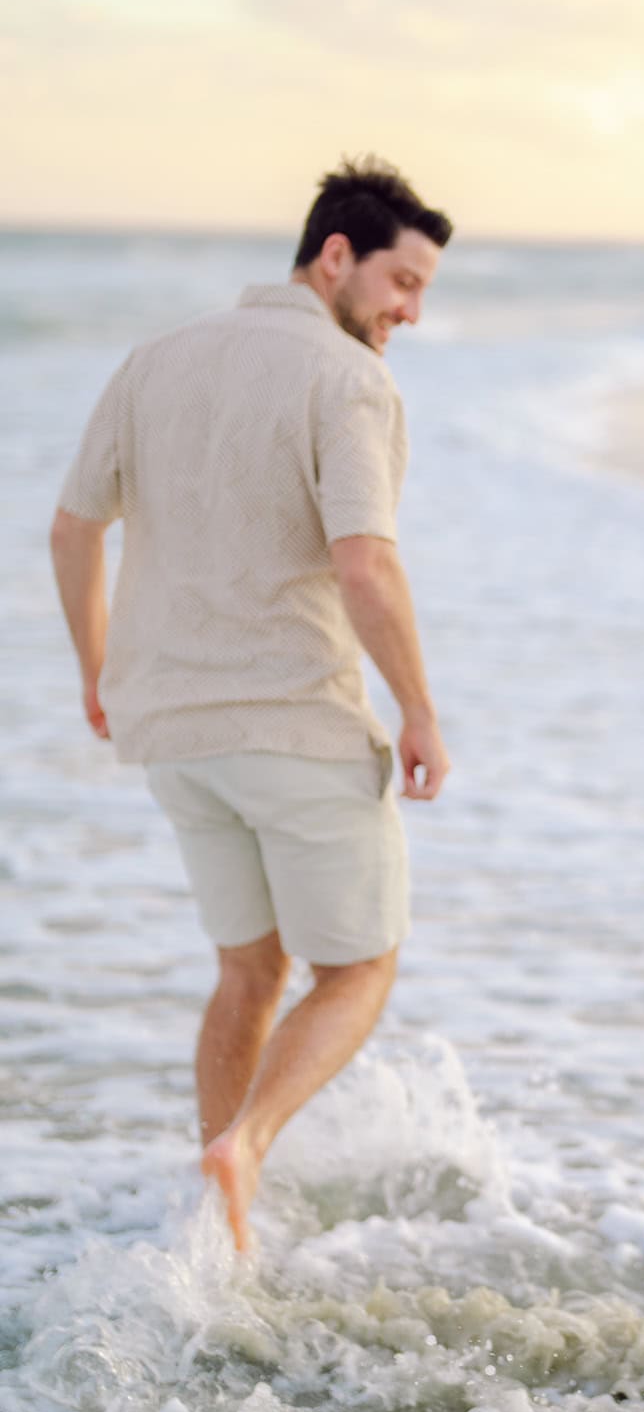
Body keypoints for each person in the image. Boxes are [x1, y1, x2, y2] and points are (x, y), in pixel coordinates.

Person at [49, 156, 454, 1253]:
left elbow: (72, 529)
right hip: (295, 726)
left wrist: (99, 669)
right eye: (403, 283)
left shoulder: (155, 360)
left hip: (173, 733)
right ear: (336, 257)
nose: (411, 312)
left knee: (249, 970)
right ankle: (248, 1145)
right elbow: (365, 564)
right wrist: (418, 710)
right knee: (358, 967)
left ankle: (215, 1211)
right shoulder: (348, 380)